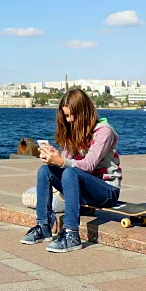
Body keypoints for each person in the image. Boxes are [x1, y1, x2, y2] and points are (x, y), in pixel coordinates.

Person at [20, 88, 122, 253]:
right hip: (83, 187)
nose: (70, 120)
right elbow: (66, 160)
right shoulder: (74, 131)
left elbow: (88, 165)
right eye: (67, 116)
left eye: (73, 115)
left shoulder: (105, 132)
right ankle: (43, 226)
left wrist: (61, 161)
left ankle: (71, 234)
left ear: (85, 112)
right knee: (45, 171)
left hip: (107, 190)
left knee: (70, 172)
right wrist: (54, 158)